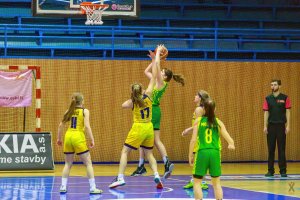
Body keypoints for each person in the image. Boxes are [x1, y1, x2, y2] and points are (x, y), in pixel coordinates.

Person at [109, 45, 165, 189]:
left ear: (132, 92)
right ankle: (157, 175)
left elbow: (122, 105)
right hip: (149, 128)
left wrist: (132, 99)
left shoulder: (132, 102)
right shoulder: (149, 95)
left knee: (125, 151)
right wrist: (155, 57)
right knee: (149, 154)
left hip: (138, 127)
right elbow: (154, 75)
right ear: (142, 89)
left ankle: (120, 177)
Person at [131, 45, 185, 180]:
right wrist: (154, 59)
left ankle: (164, 162)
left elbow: (157, 68)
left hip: (153, 111)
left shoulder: (161, 83)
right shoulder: (155, 81)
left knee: (153, 139)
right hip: (152, 110)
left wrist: (158, 56)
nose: (160, 72)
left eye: (162, 72)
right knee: (150, 139)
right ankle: (144, 165)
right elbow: (146, 71)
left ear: (165, 77)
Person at [189, 98, 235, 200]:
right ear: (215, 109)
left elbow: (193, 140)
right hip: (215, 153)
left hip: (202, 152)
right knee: (216, 183)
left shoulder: (198, 121)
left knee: (197, 182)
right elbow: (228, 137)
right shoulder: (218, 122)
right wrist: (231, 144)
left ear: (203, 109)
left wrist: (190, 155)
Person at [57, 92, 102, 194]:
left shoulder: (68, 111)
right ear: (82, 101)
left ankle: (63, 187)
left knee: (67, 164)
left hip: (68, 136)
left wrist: (59, 139)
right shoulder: (85, 111)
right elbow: (86, 126)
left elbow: (60, 126)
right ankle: (93, 188)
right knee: (88, 163)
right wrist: (92, 139)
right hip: (78, 137)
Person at [182, 90, 210, 190]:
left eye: (196, 95)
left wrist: (188, 130)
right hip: (200, 137)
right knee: (197, 161)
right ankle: (195, 180)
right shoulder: (201, 109)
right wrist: (189, 129)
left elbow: (198, 126)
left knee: (197, 161)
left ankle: (201, 182)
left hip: (199, 138)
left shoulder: (199, 109)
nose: (194, 96)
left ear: (200, 98)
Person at [263, 79, 291, 177]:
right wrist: (265, 126)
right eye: (271, 85)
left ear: (280, 86)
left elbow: (288, 111)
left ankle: (283, 170)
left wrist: (288, 125)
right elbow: (266, 112)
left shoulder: (285, 98)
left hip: (281, 126)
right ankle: (270, 171)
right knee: (271, 149)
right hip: (271, 127)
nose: (273, 86)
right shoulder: (267, 98)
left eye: (275, 85)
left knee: (281, 149)